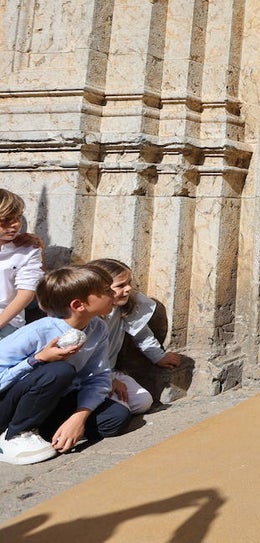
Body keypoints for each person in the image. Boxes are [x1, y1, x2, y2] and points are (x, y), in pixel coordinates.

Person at [0, 265, 129, 465]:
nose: (113, 293)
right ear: (79, 305)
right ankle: (14, 435)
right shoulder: (36, 332)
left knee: (116, 416)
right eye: (106, 291)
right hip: (7, 405)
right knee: (59, 371)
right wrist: (37, 360)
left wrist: (79, 418)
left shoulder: (97, 328)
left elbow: (99, 376)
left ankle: (48, 433)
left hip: (49, 403)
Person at [87, 259, 183, 415]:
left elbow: (141, 333)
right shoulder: (89, 318)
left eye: (129, 283)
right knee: (117, 412)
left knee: (142, 401)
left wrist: (158, 356)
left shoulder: (125, 306)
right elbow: (85, 357)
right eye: (120, 286)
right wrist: (109, 381)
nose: (128, 289)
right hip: (88, 376)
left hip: (109, 371)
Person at [0, 189, 45, 340]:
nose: (15, 224)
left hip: (7, 321)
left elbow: (26, 292)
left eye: (18, 217)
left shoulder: (27, 249)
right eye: (6, 219)